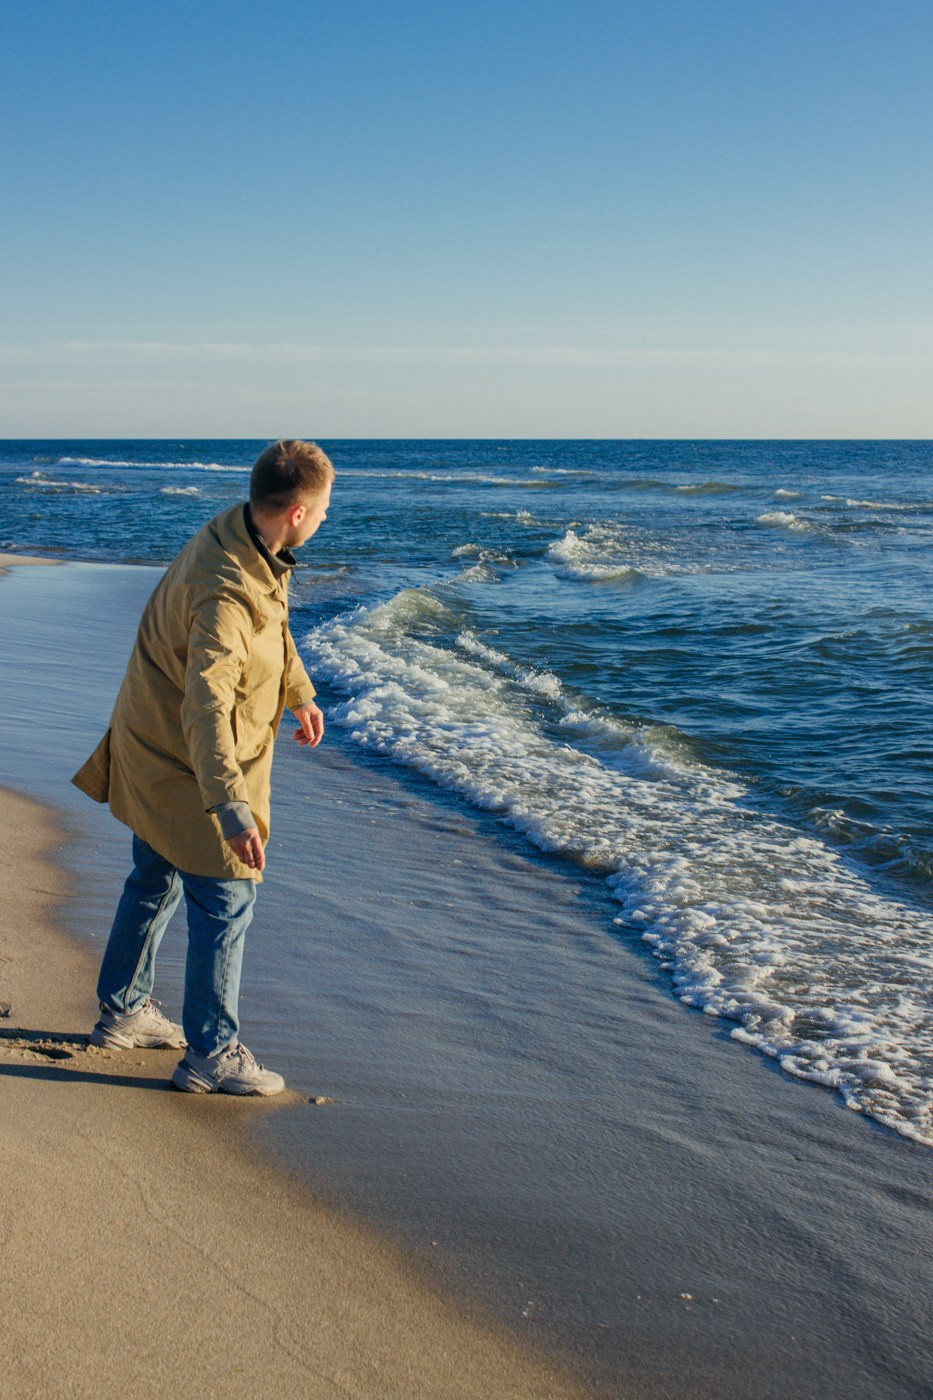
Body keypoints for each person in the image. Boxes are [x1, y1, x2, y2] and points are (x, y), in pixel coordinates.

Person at [72, 439, 334, 1096]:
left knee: (155, 874)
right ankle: (211, 1055)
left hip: (154, 736)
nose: (327, 517)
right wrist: (230, 807)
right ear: (297, 513)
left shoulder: (242, 536)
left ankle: (123, 1011)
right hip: (184, 758)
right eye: (324, 508)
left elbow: (272, 624)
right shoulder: (225, 593)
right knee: (227, 896)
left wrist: (297, 691)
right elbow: (207, 706)